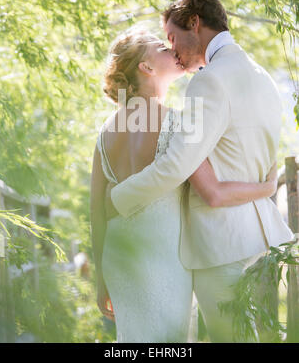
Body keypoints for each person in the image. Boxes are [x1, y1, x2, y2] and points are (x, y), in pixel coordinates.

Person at [90, 25, 280, 343]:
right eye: (163, 49)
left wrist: (100, 278)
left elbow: (96, 210)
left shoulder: (105, 131)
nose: (173, 50)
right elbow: (214, 189)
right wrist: (267, 186)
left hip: (117, 257)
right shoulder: (178, 122)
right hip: (164, 254)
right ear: (146, 67)